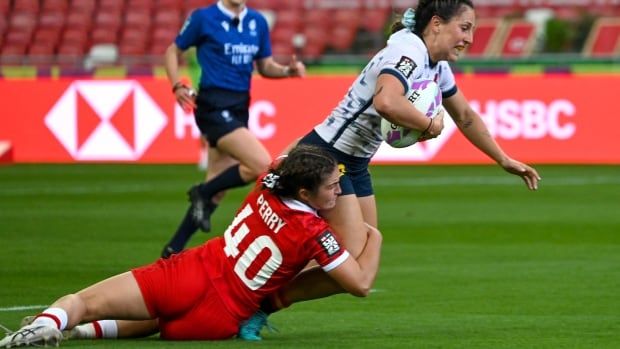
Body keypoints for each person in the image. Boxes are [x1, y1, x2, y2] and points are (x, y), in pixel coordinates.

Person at [238, 0, 542, 340]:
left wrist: (503, 159)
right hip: (326, 155)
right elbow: (387, 101)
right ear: (437, 24)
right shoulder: (407, 53)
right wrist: (429, 125)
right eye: (465, 27)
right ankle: (256, 304)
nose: (469, 38)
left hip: (352, 161)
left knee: (362, 256)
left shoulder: (435, 65)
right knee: (351, 259)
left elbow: (466, 116)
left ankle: (260, 301)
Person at [0, 145, 382, 347]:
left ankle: (48, 325)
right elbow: (360, 284)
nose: (338, 190)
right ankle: (79, 334)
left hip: (191, 273)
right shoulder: (315, 232)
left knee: (85, 301)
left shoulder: (270, 178)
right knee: (151, 324)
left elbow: (286, 158)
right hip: (220, 319)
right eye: (333, 185)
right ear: (305, 192)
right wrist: (374, 237)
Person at [161, 0, 306, 258]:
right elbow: (173, 50)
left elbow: (264, 66)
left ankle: (172, 251)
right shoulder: (204, 18)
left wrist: (287, 71)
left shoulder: (257, 22)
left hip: (240, 105)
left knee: (218, 186)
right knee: (261, 164)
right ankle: (200, 193)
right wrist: (177, 85)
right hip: (213, 104)